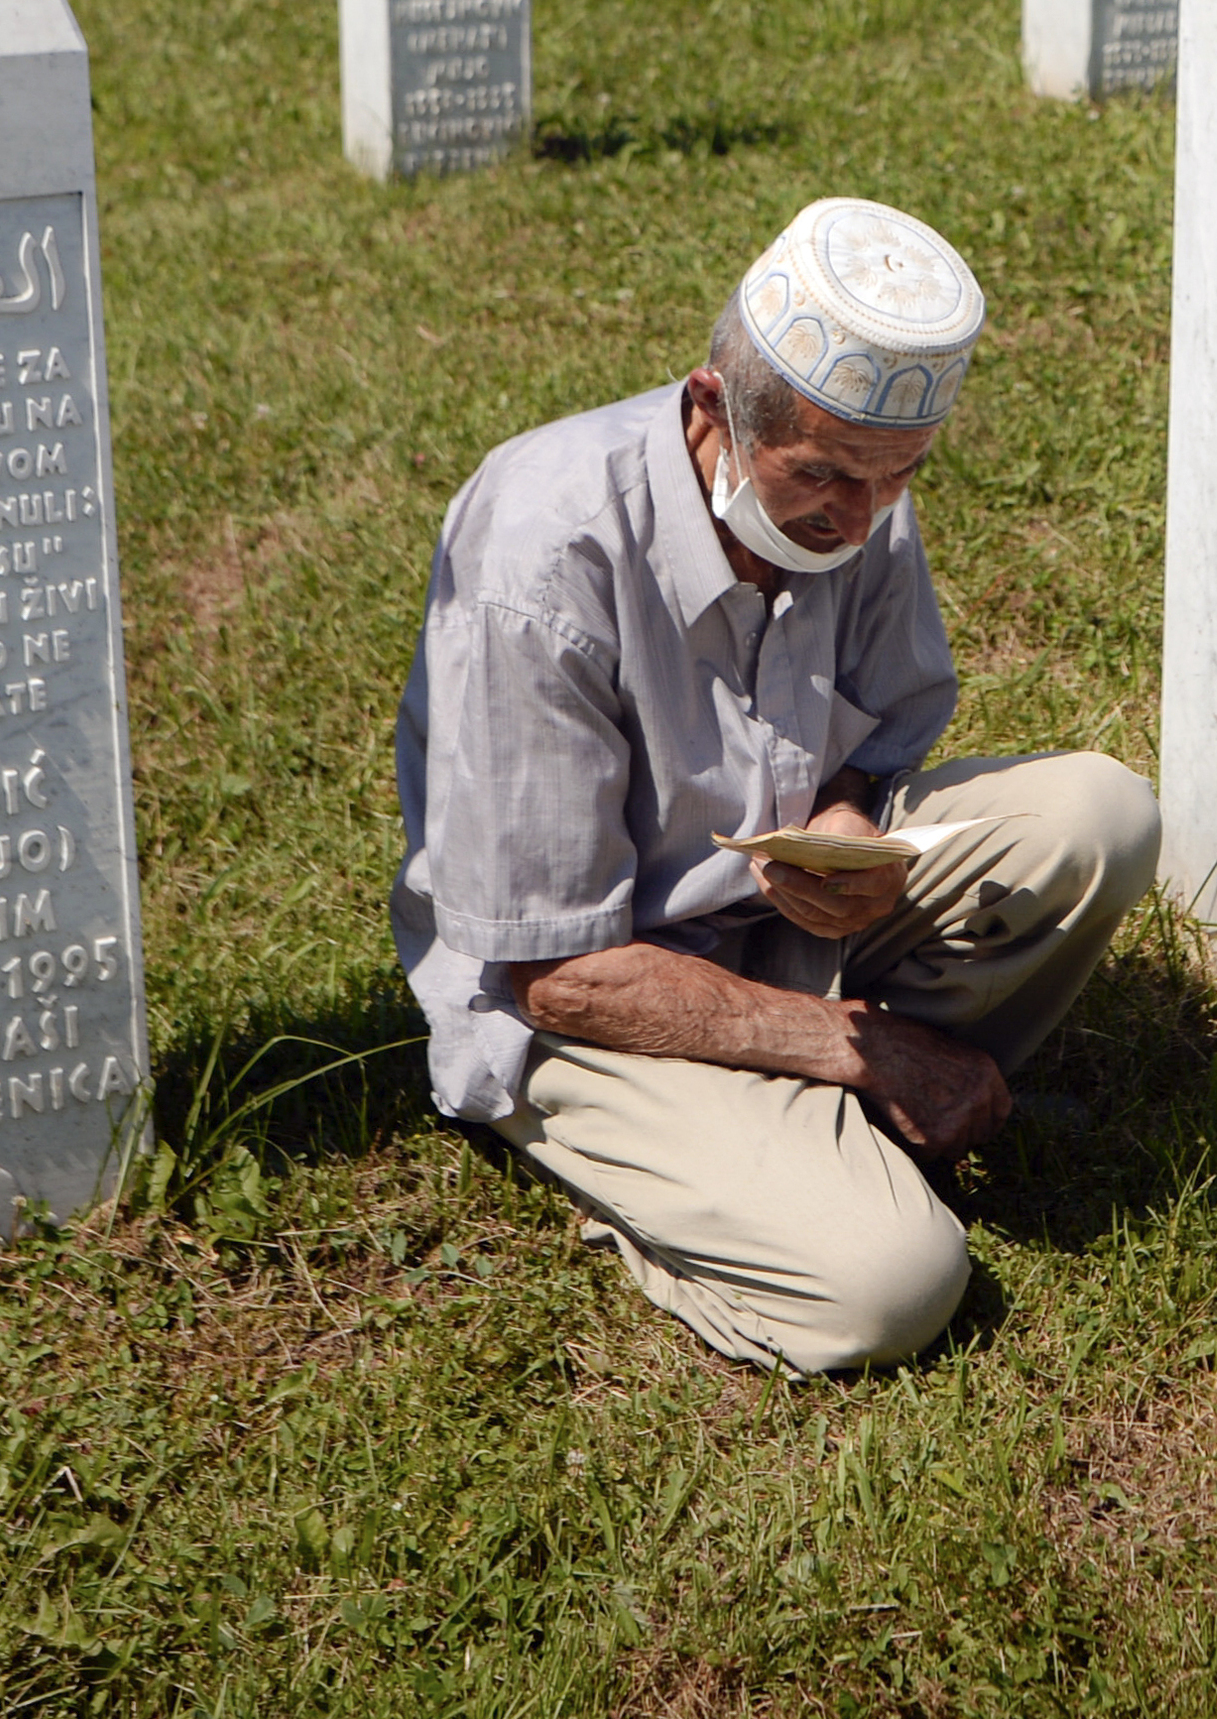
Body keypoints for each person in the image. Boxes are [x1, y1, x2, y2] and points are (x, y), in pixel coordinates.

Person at [394, 198, 1160, 1374]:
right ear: (711, 406)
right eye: (823, 477)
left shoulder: (852, 499)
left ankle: (818, 1135)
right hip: (586, 997)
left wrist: (848, 816)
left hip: (778, 926)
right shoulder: (543, 556)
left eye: (896, 476)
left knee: (1100, 818)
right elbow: (555, 971)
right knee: (893, 1285)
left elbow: (880, 730)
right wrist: (858, 1047)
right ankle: (751, 1161)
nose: (855, 519)